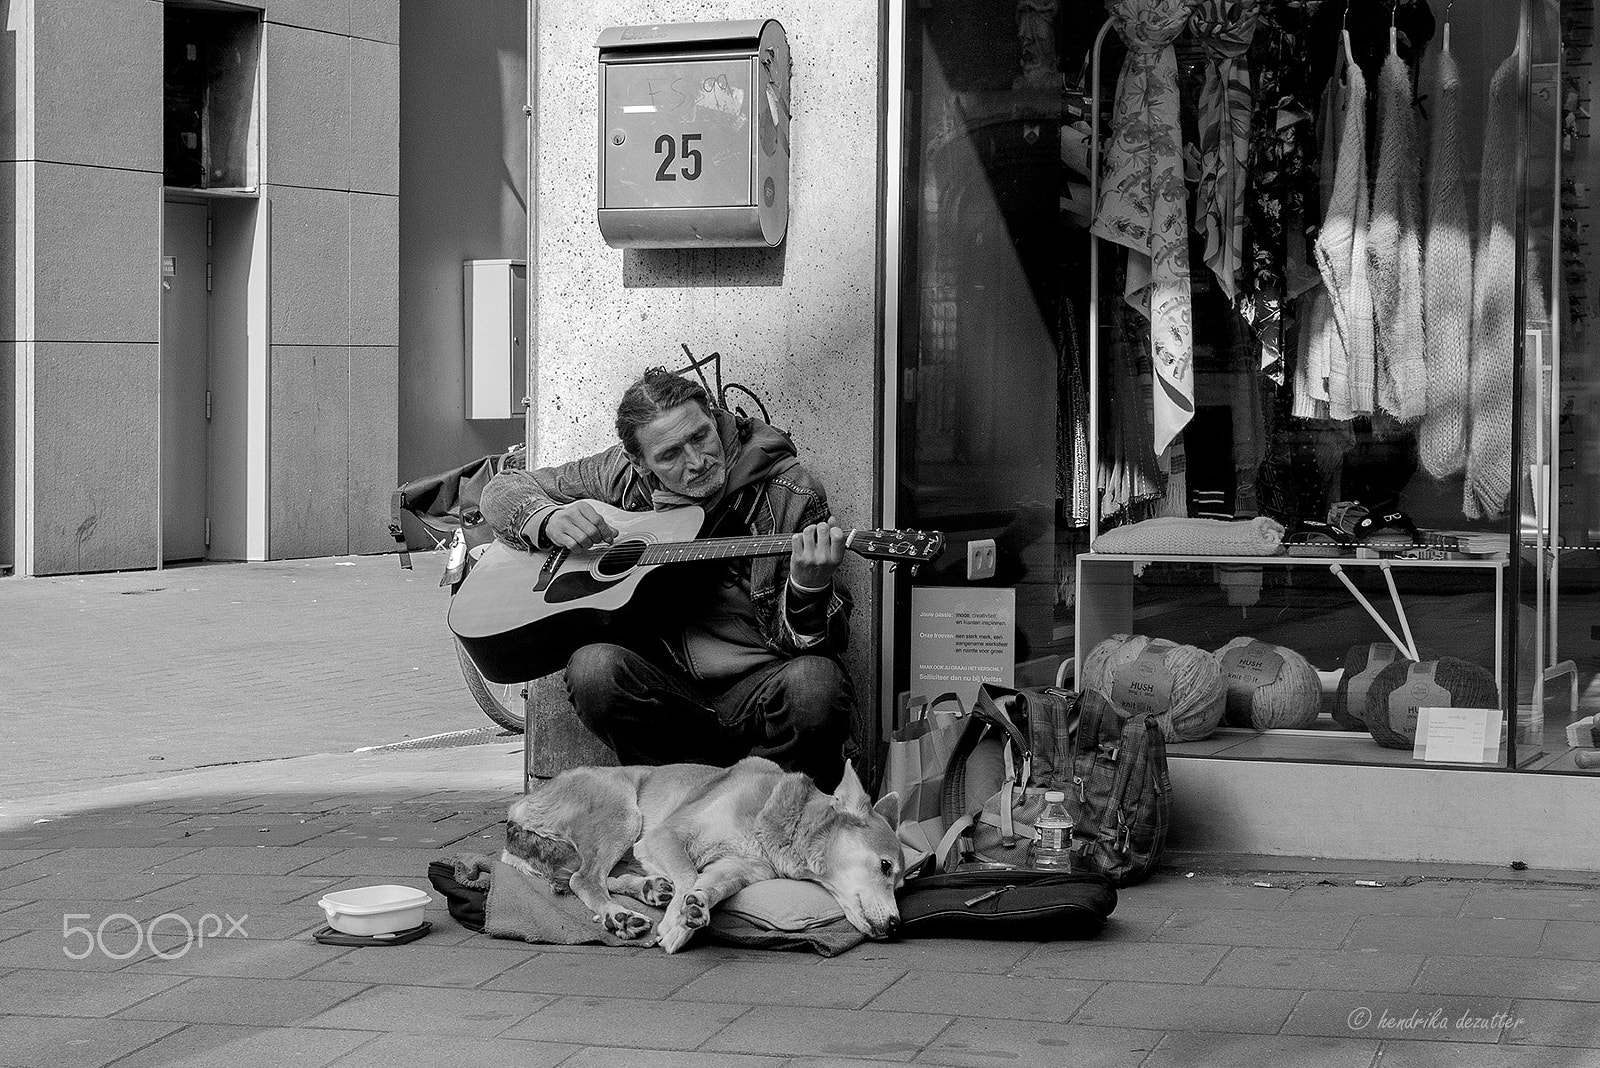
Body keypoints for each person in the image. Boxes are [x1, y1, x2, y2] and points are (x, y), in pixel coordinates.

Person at [478, 368, 856, 790]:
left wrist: (809, 588)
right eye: (670, 455)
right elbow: (501, 490)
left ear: (714, 418)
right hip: (669, 691)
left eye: (700, 437)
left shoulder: (790, 491)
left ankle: (763, 812)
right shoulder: (618, 478)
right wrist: (546, 518)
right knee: (594, 669)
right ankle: (673, 801)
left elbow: (825, 645)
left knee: (816, 684)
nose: (696, 462)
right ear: (639, 462)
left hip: (761, 691)